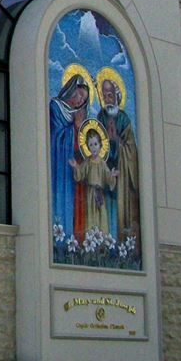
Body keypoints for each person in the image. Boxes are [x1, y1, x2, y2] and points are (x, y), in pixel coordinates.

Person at [96, 71, 139, 244]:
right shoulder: (100, 117)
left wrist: (117, 142)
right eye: (104, 95)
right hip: (105, 174)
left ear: (117, 96)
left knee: (121, 212)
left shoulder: (124, 119)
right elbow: (96, 142)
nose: (108, 98)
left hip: (122, 177)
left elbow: (131, 149)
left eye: (110, 94)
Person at [50, 70, 91, 238]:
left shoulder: (77, 115)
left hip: (74, 170)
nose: (80, 100)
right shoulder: (55, 107)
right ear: (70, 89)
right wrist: (75, 126)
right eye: (79, 94)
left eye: (83, 99)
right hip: (59, 166)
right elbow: (54, 137)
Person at [70, 121, 116, 235]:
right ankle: (92, 243)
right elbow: (80, 174)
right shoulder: (88, 162)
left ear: (100, 145)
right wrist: (76, 166)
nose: (93, 147)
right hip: (90, 194)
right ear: (87, 146)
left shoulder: (102, 163)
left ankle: (103, 242)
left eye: (95, 144)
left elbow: (107, 177)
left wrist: (111, 175)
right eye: (91, 145)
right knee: (91, 217)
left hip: (99, 193)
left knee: (102, 216)